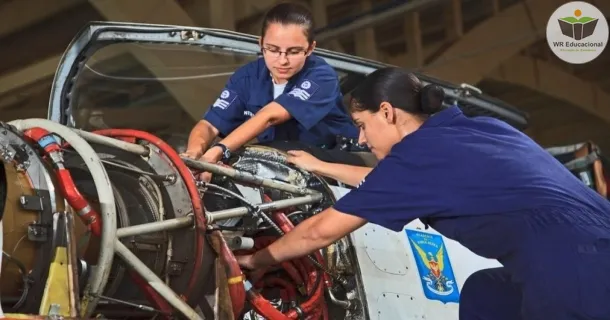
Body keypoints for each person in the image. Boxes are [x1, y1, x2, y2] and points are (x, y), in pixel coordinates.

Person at [235, 67, 610, 320]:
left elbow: (321, 232)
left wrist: (257, 260)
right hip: (592, 250)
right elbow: (392, 181)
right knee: (485, 294)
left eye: (362, 125)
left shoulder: (415, 163)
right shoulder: (480, 130)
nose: (361, 138)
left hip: (572, 270)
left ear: (387, 112)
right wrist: (323, 168)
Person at [182, 2, 360, 166]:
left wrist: (220, 150)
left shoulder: (322, 76)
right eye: (273, 50)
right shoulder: (246, 78)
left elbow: (270, 116)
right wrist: (194, 155)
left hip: (336, 163)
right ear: (261, 44)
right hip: (285, 168)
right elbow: (209, 125)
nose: (282, 60)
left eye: (294, 51)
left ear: (311, 49)